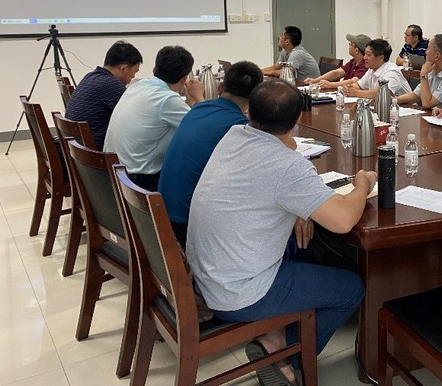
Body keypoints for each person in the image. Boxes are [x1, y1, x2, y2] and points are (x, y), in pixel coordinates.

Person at [187, 80, 375, 385]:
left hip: (207, 276)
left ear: (249, 112)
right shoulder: (287, 166)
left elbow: (270, 175)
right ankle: (285, 353)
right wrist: (363, 184)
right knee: (351, 288)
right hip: (238, 292)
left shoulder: (233, 135)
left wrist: (300, 208)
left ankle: (275, 333)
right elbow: (343, 221)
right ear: (298, 119)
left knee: (303, 245)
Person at [158, 61, 263, 247]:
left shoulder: (197, 109)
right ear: (256, 97)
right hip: (190, 226)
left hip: (163, 214)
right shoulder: (239, 129)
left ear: (220, 87)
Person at [104, 45, 204, 191]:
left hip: (114, 174)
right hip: (139, 182)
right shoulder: (167, 99)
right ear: (184, 79)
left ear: (154, 69)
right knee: (193, 170)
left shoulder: (136, 86)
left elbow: (187, 119)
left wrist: (189, 100)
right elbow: (205, 129)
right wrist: (199, 97)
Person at [66, 41, 143, 151]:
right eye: (134, 72)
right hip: (97, 154)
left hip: (78, 151)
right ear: (123, 68)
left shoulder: (91, 76)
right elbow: (135, 120)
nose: (133, 77)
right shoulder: (112, 85)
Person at [397, 34, 442, 109]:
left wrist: (424, 74)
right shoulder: (433, 69)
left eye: (428, 49)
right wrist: (394, 100)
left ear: (437, 56)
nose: (425, 52)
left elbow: (427, 103)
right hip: (434, 115)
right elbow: (415, 95)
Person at [344, 38, 411, 98]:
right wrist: (349, 88)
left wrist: (356, 93)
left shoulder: (392, 72)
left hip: (406, 107)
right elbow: (359, 85)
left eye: (368, 55)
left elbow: (382, 93)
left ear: (381, 58)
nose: (364, 58)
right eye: (365, 54)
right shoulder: (372, 70)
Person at [304, 33, 369, 89]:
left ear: (356, 50)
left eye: (350, 44)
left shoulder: (365, 65)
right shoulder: (353, 61)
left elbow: (354, 81)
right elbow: (337, 73)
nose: (349, 45)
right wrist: (314, 81)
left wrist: (331, 85)